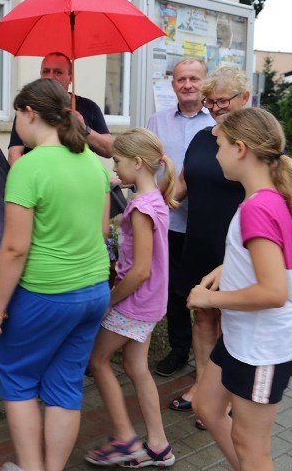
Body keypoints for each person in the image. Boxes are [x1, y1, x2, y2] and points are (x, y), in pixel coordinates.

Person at [0, 78, 111, 471]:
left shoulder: (28, 167)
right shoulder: (93, 161)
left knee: (18, 379)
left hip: (46, 294)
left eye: (15, 116)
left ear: (29, 114)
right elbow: (103, 231)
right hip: (93, 291)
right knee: (65, 385)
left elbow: (14, 248)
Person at [188, 108, 292, 470]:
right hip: (241, 339)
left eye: (220, 145)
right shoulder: (265, 198)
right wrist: (226, 267)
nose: (216, 155)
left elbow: (274, 292)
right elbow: (266, 257)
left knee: (251, 450)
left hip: (263, 348)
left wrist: (210, 299)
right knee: (206, 405)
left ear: (240, 148)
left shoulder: (257, 208)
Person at [85, 128, 178, 468]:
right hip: (152, 302)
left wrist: (110, 299)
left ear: (138, 163)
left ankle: (126, 441)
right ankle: (158, 445)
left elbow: (139, 270)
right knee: (136, 366)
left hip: (134, 303)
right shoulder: (158, 199)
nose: (115, 170)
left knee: (96, 361)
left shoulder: (140, 207)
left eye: (118, 162)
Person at [169, 66, 249, 428]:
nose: (215, 107)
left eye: (223, 100)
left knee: (232, 323)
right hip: (198, 240)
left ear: (244, 99)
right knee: (202, 316)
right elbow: (185, 180)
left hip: (236, 246)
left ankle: (228, 395)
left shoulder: (255, 142)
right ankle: (203, 388)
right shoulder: (203, 137)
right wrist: (155, 202)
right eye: (210, 101)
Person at [147, 58, 214, 377]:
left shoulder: (217, 121)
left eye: (194, 79)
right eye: (180, 79)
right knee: (173, 288)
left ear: (205, 83)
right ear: (172, 84)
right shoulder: (157, 121)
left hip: (206, 225)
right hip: (170, 223)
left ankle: (212, 356)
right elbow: (144, 164)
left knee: (206, 291)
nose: (187, 84)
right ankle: (179, 348)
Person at [7, 52, 113, 162]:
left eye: (58, 72)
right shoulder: (29, 108)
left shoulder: (89, 107)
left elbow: (110, 149)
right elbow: (14, 154)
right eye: (46, 71)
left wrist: (84, 130)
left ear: (70, 78)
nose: (50, 76)